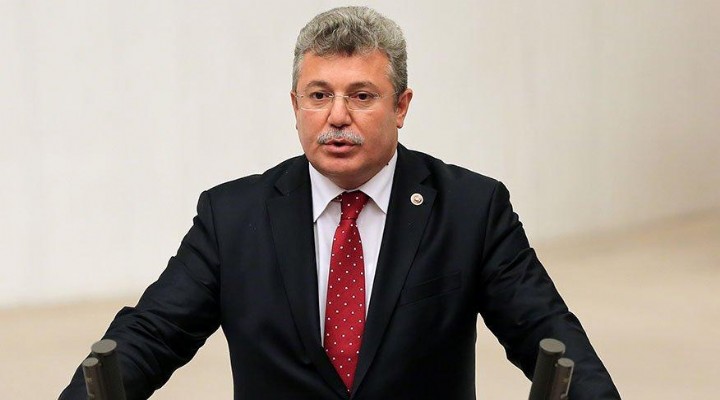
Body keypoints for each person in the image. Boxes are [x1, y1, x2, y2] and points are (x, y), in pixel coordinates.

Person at [60, 6, 620, 400]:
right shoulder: (231, 217)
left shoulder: (471, 210)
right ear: (295, 105)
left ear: (401, 106)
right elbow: (152, 335)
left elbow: (547, 333)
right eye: (319, 95)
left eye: (361, 96)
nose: (337, 117)